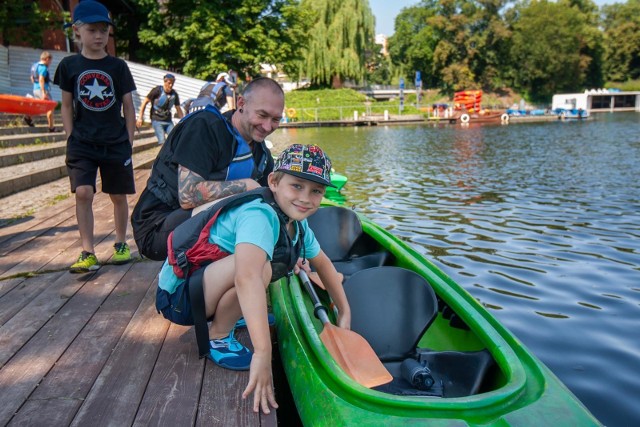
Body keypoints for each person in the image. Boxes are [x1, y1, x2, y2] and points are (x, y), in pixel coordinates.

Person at [156, 144, 350, 414]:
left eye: (316, 190)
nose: (306, 198)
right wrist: (262, 352)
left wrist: (344, 309)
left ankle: (231, 316)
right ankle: (219, 335)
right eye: (296, 186)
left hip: (203, 286)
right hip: (179, 299)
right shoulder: (260, 215)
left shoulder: (297, 221)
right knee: (260, 269)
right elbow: (247, 277)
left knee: (261, 266)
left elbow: (323, 263)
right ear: (273, 182)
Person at [131, 77, 285, 262]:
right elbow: (188, 196)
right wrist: (246, 185)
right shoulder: (205, 127)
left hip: (200, 223)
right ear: (241, 103)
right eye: (262, 115)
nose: (268, 126)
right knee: (250, 206)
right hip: (157, 228)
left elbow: (273, 199)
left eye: (275, 119)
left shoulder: (261, 154)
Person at [53, 0, 136, 272]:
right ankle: (87, 251)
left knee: (118, 195)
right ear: (77, 30)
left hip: (115, 142)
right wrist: (70, 137)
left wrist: (129, 141)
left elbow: (128, 105)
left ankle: (121, 243)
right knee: (83, 193)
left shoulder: (118, 67)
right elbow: (66, 105)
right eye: (92, 30)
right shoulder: (68, 66)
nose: (99, 36)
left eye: (104, 30)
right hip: (82, 143)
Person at [136, 74, 184, 144]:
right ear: (165, 82)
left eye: (172, 84)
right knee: (162, 141)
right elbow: (145, 102)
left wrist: (183, 121)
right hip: (156, 120)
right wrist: (140, 117)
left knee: (175, 138)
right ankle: (163, 154)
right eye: (169, 83)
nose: (171, 85)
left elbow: (178, 109)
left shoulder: (174, 94)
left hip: (168, 120)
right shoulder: (157, 90)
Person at [25, 51, 56, 131]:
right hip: (42, 90)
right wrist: (43, 92)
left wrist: (36, 86)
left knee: (38, 107)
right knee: (50, 107)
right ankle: (51, 128)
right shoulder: (43, 67)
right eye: (50, 60)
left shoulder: (34, 66)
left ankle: (28, 117)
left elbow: (32, 78)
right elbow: (41, 79)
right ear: (46, 59)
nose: (50, 63)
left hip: (35, 89)